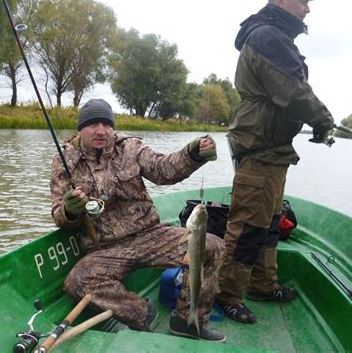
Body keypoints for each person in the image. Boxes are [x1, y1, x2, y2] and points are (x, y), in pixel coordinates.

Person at [50, 98, 226, 341]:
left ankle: (187, 321)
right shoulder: (64, 161)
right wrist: (70, 210)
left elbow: (165, 170)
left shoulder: (130, 147)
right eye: (93, 124)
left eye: (106, 124)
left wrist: (193, 154)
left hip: (150, 235)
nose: (101, 131)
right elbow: (59, 215)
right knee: (77, 281)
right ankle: (141, 312)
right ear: (81, 128)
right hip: (107, 248)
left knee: (213, 246)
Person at [215, 0, 334, 324]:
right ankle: (226, 294)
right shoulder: (267, 36)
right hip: (259, 149)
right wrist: (324, 120)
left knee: (268, 224)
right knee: (247, 228)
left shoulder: (274, 36)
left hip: (273, 150)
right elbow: (295, 92)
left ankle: (263, 285)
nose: (307, 9)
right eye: (302, 1)